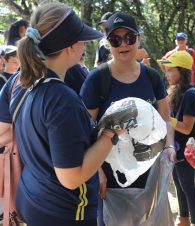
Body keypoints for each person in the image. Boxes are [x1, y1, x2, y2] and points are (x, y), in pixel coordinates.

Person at [4, 2, 124, 226]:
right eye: (81, 39)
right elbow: (71, 178)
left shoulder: (24, 84)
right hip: (64, 211)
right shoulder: (61, 99)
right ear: (70, 47)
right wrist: (111, 134)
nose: (84, 45)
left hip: (33, 198)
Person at [80, 11, 176, 224]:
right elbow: (85, 130)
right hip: (110, 176)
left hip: (147, 171)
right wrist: (96, 171)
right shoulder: (97, 79)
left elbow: (165, 120)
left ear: (138, 40)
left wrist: (169, 147)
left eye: (129, 38)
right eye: (116, 39)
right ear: (108, 43)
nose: (123, 44)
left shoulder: (151, 77)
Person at [160, 51, 195, 226]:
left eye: (170, 70)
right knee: (178, 185)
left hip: (186, 150)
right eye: (166, 71)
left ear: (182, 71)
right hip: (175, 149)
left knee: (188, 187)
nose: (166, 74)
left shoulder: (190, 94)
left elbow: (187, 127)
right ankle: (184, 219)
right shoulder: (176, 91)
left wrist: (167, 118)